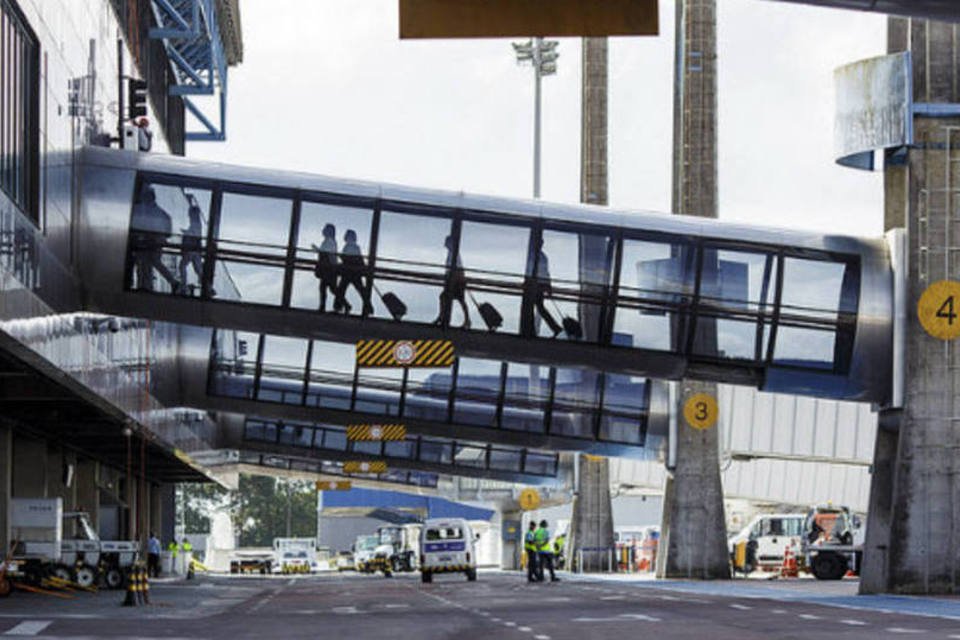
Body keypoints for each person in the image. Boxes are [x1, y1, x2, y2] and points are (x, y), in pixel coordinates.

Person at [131, 185, 178, 292]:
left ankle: (144, 286)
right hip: (156, 242)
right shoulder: (163, 213)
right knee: (152, 262)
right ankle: (170, 282)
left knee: (143, 263)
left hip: (144, 242)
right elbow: (168, 232)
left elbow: (137, 225)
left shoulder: (139, 210)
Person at [521, 237, 562, 338]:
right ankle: (555, 328)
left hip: (535, 285)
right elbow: (546, 273)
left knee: (533, 307)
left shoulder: (533, 256)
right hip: (540, 285)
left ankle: (532, 330)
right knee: (540, 308)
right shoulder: (543, 257)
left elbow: (532, 271)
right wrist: (548, 286)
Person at [432, 235, 470, 329]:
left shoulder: (453, 253)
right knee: (459, 299)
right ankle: (466, 320)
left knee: (446, 297)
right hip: (457, 279)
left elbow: (454, 267)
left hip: (455, 279)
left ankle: (442, 316)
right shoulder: (453, 253)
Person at [334, 229, 373, 316]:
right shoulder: (356, 247)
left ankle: (338, 307)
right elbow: (360, 260)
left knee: (341, 290)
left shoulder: (347, 247)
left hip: (347, 272)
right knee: (361, 290)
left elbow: (345, 259)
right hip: (355, 272)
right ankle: (368, 307)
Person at [311, 223, 340, 312]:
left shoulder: (329, 241)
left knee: (328, 288)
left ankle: (323, 307)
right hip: (330, 268)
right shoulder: (331, 241)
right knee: (330, 288)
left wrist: (317, 250)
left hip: (328, 269)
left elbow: (325, 253)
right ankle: (343, 305)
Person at [178, 200, 204, 295]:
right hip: (196, 250)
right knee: (198, 269)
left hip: (191, 249)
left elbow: (193, 235)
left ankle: (183, 285)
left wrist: (185, 233)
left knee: (182, 266)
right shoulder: (197, 224)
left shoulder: (195, 224)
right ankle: (207, 287)